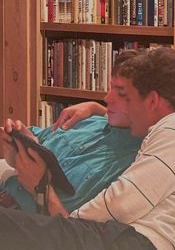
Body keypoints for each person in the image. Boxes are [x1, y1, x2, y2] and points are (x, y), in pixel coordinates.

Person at [0, 47, 175, 250]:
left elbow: (123, 203)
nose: (118, 103)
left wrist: (57, 211)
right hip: (115, 236)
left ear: (152, 101)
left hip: (131, 241)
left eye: (126, 97)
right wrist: (98, 111)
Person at [0, 50, 143, 214]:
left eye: (121, 92)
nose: (107, 98)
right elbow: (36, 139)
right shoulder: (88, 120)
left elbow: (72, 232)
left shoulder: (131, 165)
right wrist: (15, 145)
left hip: (25, 224)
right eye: (110, 87)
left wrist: (40, 187)